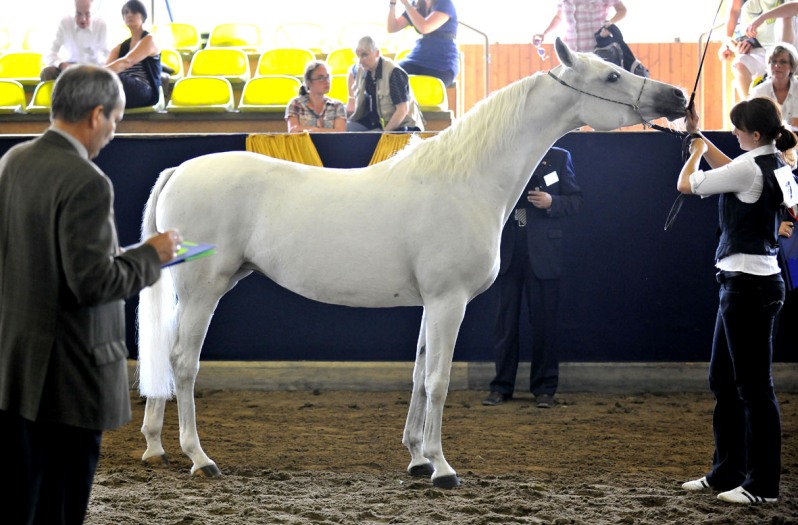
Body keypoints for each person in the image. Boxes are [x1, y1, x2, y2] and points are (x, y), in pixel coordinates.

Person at [0, 65, 180, 525]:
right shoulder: (88, 182)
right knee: (61, 507)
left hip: (18, 367)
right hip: (69, 375)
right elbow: (94, 283)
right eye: (116, 121)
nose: (113, 133)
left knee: (26, 499)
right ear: (96, 115)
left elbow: (42, 254)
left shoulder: (14, 161)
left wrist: (118, 254)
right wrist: (150, 257)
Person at [678, 97, 798, 505]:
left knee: (754, 388)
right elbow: (732, 168)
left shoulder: (751, 167)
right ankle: (727, 470)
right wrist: (698, 134)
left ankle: (762, 486)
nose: (732, 132)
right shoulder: (775, 161)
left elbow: (687, 184)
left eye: (737, 127)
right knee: (725, 381)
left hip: (749, 286)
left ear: (757, 134)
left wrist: (694, 152)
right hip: (751, 282)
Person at [483, 147, 583, 409]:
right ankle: (501, 387)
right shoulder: (503, 154)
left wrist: (553, 202)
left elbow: (576, 200)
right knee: (504, 325)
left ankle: (545, 389)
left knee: (545, 325)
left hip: (544, 253)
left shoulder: (560, 157)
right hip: (507, 251)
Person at [347, 35, 424, 132]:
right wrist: (351, 99)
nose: (360, 60)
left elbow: (403, 110)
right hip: (376, 123)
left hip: (403, 125)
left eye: (364, 55)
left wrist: (384, 134)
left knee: (372, 137)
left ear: (377, 53)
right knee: (347, 128)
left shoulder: (394, 72)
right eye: (358, 56)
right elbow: (350, 71)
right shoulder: (361, 67)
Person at [720, 0, 786, 101]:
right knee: (739, 63)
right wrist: (728, 43)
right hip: (759, 51)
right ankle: (750, 111)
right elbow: (734, 9)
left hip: (787, 49)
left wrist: (763, 17)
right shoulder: (747, 7)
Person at [387, 0, 459, 88]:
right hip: (417, 58)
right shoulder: (416, 5)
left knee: (422, 90)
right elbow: (392, 27)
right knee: (390, 75)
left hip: (442, 63)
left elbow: (424, 27)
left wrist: (406, 4)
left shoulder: (445, 3)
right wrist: (392, 4)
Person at [105, 0, 161, 109]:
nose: (129, 15)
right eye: (126, 13)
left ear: (143, 16)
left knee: (109, 77)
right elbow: (105, 68)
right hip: (123, 90)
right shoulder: (119, 47)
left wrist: (92, 75)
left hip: (145, 91)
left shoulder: (150, 39)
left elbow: (127, 62)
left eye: (134, 12)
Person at [40, 0, 109, 81]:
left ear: (93, 12)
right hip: (69, 69)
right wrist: (62, 64)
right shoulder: (65, 22)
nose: (83, 19)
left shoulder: (101, 24)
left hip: (94, 69)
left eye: (87, 14)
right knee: (47, 72)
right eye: (78, 14)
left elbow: (108, 53)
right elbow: (50, 54)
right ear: (73, 11)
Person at [533, 0, 627, 53]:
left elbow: (622, 10)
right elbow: (559, 17)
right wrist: (544, 34)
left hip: (598, 51)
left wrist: (609, 23)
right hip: (571, 53)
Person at [286, 60, 347, 133]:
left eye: (327, 77)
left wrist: (316, 131)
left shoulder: (337, 106)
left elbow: (340, 132)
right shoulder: (296, 104)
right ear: (308, 82)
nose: (326, 81)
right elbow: (293, 130)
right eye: (320, 78)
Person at [750, 42, 798, 130]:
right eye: (773, 62)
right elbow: (753, 123)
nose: (777, 66)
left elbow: (796, 124)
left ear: (792, 67)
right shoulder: (758, 92)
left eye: (783, 62)